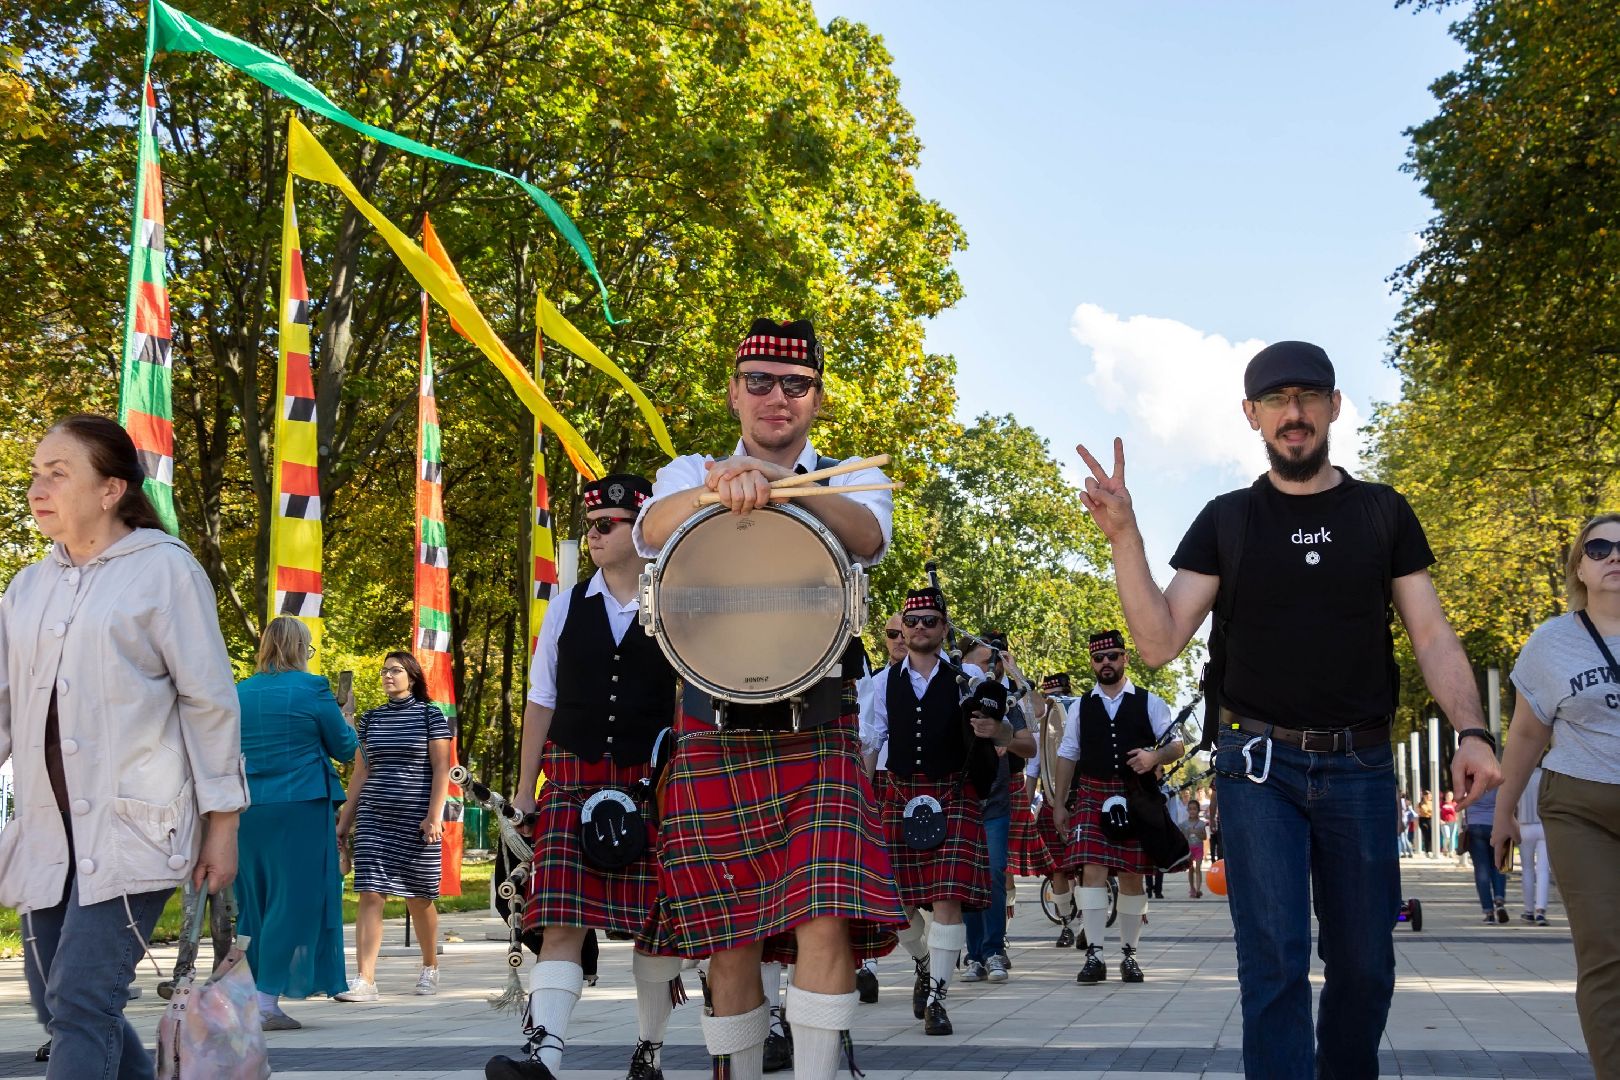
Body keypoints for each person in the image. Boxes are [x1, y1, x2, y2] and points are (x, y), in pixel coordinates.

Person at [1077, 340, 1501, 1078]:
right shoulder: (1229, 521)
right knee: (1272, 961)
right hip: (1258, 767)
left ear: (1335, 407)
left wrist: (1472, 730)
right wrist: (1126, 539)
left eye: (1308, 397)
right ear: (1252, 415)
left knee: (1366, 966)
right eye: (1276, 400)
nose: (1293, 413)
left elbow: (1431, 635)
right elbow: (1156, 640)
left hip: (1363, 768)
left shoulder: (1381, 514)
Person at [633, 317, 905, 1080]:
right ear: (734, 392)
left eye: (795, 385)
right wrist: (714, 492)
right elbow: (651, 532)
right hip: (712, 726)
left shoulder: (851, 476)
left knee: (824, 918)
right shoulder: (689, 469)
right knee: (729, 936)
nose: (776, 398)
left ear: (816, 399)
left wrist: (788, 491)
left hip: (815, 724)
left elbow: (868, 538)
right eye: (759, 382)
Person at [0, 415, 245, 1080]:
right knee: (65, 1007)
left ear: (110, 490)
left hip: (135, 830)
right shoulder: (27, 588)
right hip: (49, 836)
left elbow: (210, 702)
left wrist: (222, 825)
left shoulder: (165, 572)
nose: (37, 487)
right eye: (33, 474)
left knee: (81, 1000)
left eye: (57, 474)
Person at [486, 474, 683, 1080]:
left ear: (639, 529)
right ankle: (543, 1058)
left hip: (651, 782)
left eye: (605, 525)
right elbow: (541, 698)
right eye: (588, 526)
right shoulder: (568, 602)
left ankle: (648, 1052)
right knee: (560, 921)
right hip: (572, 778)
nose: (592, 536)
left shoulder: (674, 597)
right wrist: (524, 792)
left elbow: (688, 701)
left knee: (657, 931)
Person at [1492, 512, 1620, 1079]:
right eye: (1599, 548)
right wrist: (1502, 817)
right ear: (1580, 568)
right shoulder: (1552, 643)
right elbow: (1524, 734)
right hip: (1578, 807)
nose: (1614, 556)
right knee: (1606, 951)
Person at [860, 588, 1000, 1034]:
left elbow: (1016, 736)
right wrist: (862, 804)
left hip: (953, 793)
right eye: (912, 620)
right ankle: (924, 962)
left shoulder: (970, 679)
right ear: (902, 626)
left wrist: (996, 728)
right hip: (897, 793)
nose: (920, 627)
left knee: (946, 899)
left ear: (944, 628)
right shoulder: (879, 683)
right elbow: (870, 744)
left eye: (930, 620)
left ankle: (938, 996)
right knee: (896, 901)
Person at [235, 615, 358, 1029]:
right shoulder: (313, 688)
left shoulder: (240, 693)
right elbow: (343, 748)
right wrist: (350, 722)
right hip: (300, 805)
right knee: (296, 900)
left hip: (249, 809)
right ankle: (266, 1000)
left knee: (257, 899)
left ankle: (249, 993)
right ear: (299, 648)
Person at [1050, 630, 1182, 983]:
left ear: (1125, 658)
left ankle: (1129, 954)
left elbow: (1176, 745)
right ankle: (1094, 955)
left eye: (1112, 656)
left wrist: (1156, 754)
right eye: (1098, 658)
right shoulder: (1081, 706)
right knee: (1091, 871)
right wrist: (1060, 804)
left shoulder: (1149, 701)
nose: (1105, 662)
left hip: (1136, 795)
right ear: (1092, 663)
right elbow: (1067, 754)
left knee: (1131, 876)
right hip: (1093, 793)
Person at [335, 650, 453, 1001]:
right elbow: (361, 772)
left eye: (396, 670)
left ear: (412, 677)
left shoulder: (431, 715)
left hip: (417, 819)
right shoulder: (371, 720)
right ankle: (365, 980)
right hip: (374, 817)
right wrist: (346, 820)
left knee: (419, 897)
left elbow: (442, 768)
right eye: (384, 670)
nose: (388, 676)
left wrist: (434, 815)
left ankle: (430, 965)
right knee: (370, 892)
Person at [956, 634, 1036, 986]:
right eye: (983, 659)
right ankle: (974, 955)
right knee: (968, 878)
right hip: (960, 800)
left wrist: (1001, 732)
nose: (990, 666)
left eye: (995, 661)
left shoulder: (1004, 701)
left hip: (996, 801)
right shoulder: (952, 693)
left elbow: (1029, 745)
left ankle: (992, 951)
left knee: (993, 873)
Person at [851, 612, 909, 1010]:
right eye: (892, 634)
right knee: (870, 879)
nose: (901, 639)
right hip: (875, 783)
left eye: (906, 631)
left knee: (909, 887)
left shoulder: (951, 675)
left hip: (916, 785)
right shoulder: (875, 681)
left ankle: (927, 959)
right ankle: (864, 966)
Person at [1028, 673, 1082, 944]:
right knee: (1058, 870)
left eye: (1055, 695)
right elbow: (1033, 772)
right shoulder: (1040, 731)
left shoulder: (1082, 714)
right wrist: (1025, 811)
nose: (1050, 701)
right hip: (1051, 803)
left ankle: (1085, 920)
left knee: (1085, 867)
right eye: (1046, 695)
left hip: (1081, 799)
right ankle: (1066, 923)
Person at [1463, 786, 1509, 923]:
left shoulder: (1469, 778)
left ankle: (1489, 912)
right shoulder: (1499, 778)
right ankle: (1499, 899)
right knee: (1500, 865)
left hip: (1475, 825)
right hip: (1498, 824)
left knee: (1481, 870)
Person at [1514, 767, 1551, 924]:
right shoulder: (1546, 776)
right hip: (1544, 825)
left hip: (1524, 825)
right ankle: (1540, 910)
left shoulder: (1518, 776)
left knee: (1527, 869)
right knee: (1543, 870)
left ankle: (1528, 910)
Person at [1183, 802, 1208, 898]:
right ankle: (1192, 888)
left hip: (1198, 848)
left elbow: (1204, 837)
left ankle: (1198, 889)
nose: (1192, 811)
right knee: (1190, 868)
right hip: (1188, 848)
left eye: (1194, 809)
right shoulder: (1184, 824)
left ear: (1198, 810)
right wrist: (1187, 834)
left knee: (1198, 867)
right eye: (1190, 809)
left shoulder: (1202, 824)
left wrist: (1198, 833)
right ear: (1188, 810)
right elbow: (1182, 838)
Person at [1418, 789, 1434, 855]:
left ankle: (1430, 849)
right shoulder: (1420, 803)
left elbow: (1434, 811)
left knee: (1431, 835)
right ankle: (1427, 850)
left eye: (1429, 796)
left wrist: (1429, 812)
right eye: (1426, 795)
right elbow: (1424, 811)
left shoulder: (1432, 803)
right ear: (1424, 796)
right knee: (1426, 834)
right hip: (1423, 819)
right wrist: (1430, 812)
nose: (1428, 797)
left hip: (1430, 819)